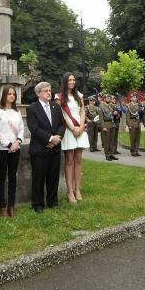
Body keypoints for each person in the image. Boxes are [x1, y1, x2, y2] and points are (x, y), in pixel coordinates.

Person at [26, 81, 66, 212]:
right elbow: (34, 128)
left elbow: (62, 124)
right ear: (38, 93)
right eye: (45, 91)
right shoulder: (32, 108)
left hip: (54, 149)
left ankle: (53, 202)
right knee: (38, 178)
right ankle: (37, 204)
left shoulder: (56, 107)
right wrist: (49, 139)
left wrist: (57, 139)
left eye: (50, 90)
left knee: (53, 177)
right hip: (40, 149)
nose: (49, 92)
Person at [57, 72, 90, 202]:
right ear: (65, 81)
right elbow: (63, 115)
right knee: (69, 160)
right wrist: (73, 128)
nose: (72, 82)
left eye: (74, 80)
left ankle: (78, 189)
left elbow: (82, 111)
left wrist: (81, 127)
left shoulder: (79, 96)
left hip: (80, 130)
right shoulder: (59, 97)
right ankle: (69, 191)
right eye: (69, 80)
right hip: (69, 130)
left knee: (78, 159)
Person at [0, 85, 24, 217]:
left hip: (16, 148)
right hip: (2, 149)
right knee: (1, 177)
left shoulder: (17, 112)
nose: (12, 96)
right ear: (4, 96)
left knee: (13, 177)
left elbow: (22, 128)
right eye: (9, 94)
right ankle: (2, 206)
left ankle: (11, 205)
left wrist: (18, 141)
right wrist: (9, 144)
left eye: (13, 94)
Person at [98, 93, 117, 161]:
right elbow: (101, 118)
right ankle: (107, 155)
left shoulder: (111, 105)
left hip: (112, 124)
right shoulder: (101, 106)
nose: (109, 99)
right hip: (106, 124)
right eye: (107, 98)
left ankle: (111, 154)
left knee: (112, 141)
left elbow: (114, 112)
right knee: (107, 141)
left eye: (109, 98)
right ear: (104, 99)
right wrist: (103, 126)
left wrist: (115, 113)